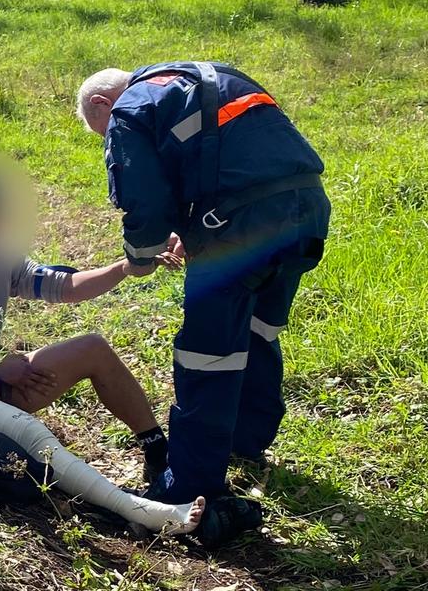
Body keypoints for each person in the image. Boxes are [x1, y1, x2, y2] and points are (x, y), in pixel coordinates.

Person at [0, 169, 207, 537]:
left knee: (92, 348)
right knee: (31, 461)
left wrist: (125, 267)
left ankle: (155, 449)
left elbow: (63, 286)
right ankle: (131, 507)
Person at [75, 63, 329, 520]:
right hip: (307, 209)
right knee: (258, 329)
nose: (108, 136)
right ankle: (245, 442)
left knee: (207, 355)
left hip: (241, 224)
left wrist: (141, 256)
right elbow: (232, 158)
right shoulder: (207, 79)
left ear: (101, 104)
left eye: (102, 131)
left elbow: (143, 195)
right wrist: (192, 229)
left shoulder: (131, 107)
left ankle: (189, 485)